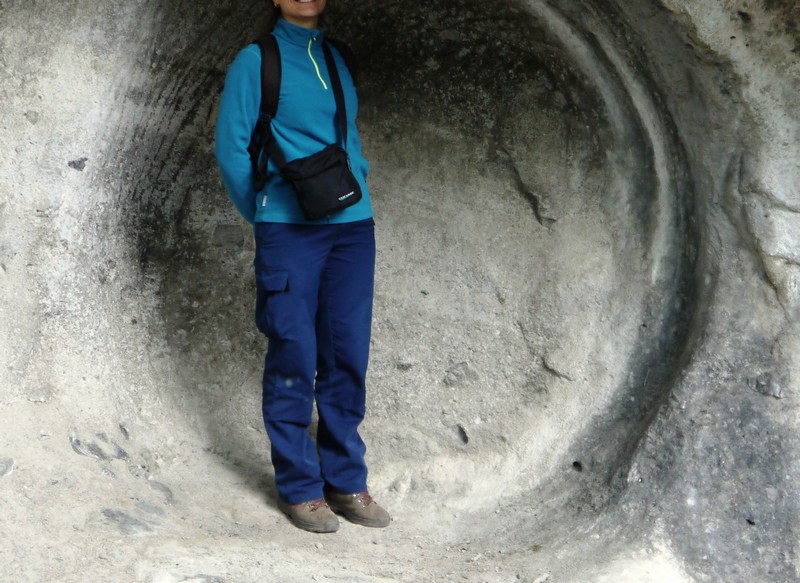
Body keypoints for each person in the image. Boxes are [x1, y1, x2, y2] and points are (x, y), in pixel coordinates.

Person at [214, 0, 389, 533]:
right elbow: (231, 149)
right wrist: (266, 213)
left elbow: (348, 137)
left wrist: (357, 186)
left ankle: (346, 480)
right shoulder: (256, 61)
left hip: (353, 229)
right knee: (294, 351)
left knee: (347, 354)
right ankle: (299, 487)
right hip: (289, 231)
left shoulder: (337, 56)